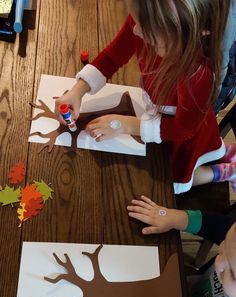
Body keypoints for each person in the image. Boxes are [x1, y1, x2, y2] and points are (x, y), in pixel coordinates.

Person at [55, 0, 235, 194]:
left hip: (180, 134)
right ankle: (223, 152)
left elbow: (184, 128)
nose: (136, 31)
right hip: (158, 117)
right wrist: (79, 90)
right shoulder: (150, 19)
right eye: (136, 21)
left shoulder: (198, 74)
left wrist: (124, 125)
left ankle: (223, 171)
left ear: (190, 33)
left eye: (149, 33)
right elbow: (113, 56)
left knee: (172, 182)